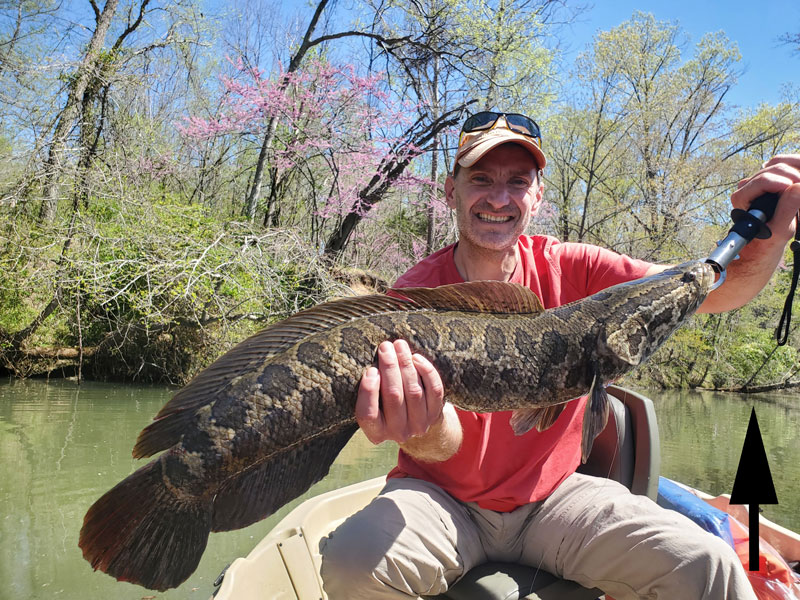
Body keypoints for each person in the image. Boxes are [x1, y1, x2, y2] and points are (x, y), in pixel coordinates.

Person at [320, 111, 800, 599]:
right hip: (441, 501)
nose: (499, 197)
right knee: (352, 566)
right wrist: (419, 426)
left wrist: (775, 232)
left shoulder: (579, 267)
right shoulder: (413, 299)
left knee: (707, 563)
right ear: (451, 191)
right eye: (481, 179)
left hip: (556, 499)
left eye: (518, 182)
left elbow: (712, 291)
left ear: (538, 196)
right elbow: (441, 446)